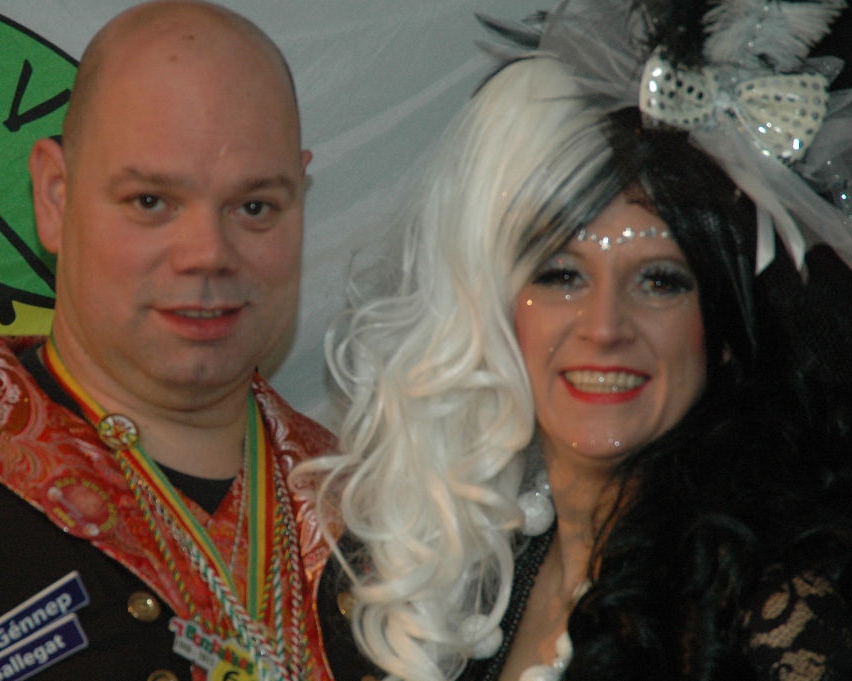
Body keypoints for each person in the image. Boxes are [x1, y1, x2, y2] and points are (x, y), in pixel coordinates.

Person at [306, 1, 852, 679]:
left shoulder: (778, 613)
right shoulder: (460, 580)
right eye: (561, 275)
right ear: (499, 312)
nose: (604, 326)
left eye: (660, 281)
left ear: (724, 329)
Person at [0, 2, 339, 680]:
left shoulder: (392, 523)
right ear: (54, 195)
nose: (208, 253)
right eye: (151, 201)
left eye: (255, 206)